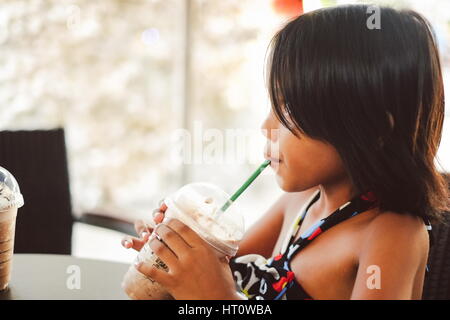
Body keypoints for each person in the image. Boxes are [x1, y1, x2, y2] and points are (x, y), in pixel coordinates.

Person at [121, 4, 449, 300]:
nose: (267, 127)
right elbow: (221, 263)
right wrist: (179, 254)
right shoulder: (301, 201)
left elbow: (216, 290)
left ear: (375, 128)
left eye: (288, 108)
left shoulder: (391, 236)